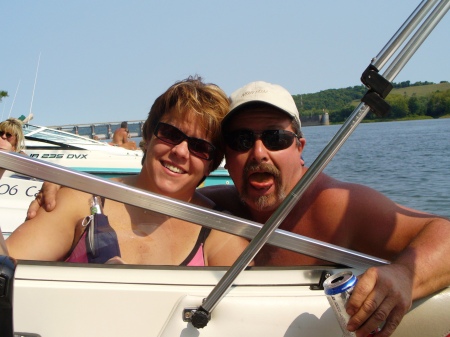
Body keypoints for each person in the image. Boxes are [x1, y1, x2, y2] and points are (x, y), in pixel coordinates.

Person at [27, 81, 450, 336]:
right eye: (242, 142)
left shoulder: (338, 206)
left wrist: (403, 275)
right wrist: (69, 185)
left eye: (276, 138)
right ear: (226, 160)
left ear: (301, 148)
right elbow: (165, 197)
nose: (259, 152)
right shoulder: (220, 208)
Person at [4, 76, 249, 266]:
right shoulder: (80, 201)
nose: (181, 152)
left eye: (200, 147)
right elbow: (7, 271)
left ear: (212, 162)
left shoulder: (220, 233)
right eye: (171, 134)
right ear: (150, 134)